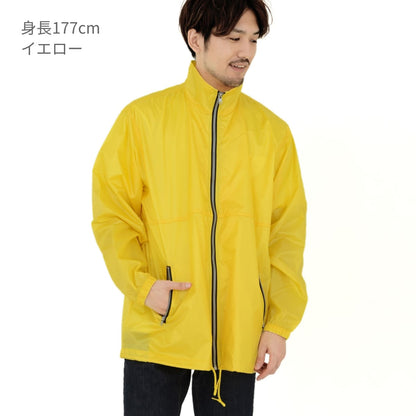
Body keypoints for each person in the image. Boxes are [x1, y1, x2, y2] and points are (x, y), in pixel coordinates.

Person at [92, 0, 307, 414]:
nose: (245, 51)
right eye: (233, 38)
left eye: (253, 40)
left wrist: (278, 325)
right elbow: (113, 215)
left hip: (238, 333)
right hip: (160, 324)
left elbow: (286, 235)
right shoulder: (142, 119)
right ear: (196, 39)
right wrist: (143, 287)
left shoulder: (272, 133)